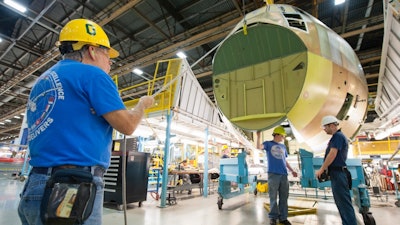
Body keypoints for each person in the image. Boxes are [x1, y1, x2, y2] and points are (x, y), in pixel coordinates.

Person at [18, 18, 154, 225]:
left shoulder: (43, 80)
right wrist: (142, 105)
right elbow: (127, 125)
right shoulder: (93, 75)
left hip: (35, 185)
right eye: (107, 54)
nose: (109, 62)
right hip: (70, 187)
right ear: (91, 50)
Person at [315, 115, 357, 225]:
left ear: (332, 125)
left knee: (343, 203)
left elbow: (332, 154)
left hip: (339, 173)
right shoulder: (337, 137)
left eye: (325, 127)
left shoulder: (338, 136)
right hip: (337, 173)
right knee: (341, 203)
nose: (324, 130)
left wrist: (322, 169)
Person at [257, 126, 297, 225]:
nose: (283, 138)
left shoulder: (283, 147)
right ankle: (273, 217)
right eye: (282, 136)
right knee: (273, 197)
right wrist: (258, 136)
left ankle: (283, 217)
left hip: (284, 174)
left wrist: (292, 170)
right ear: (278, 135)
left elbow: (285, 160)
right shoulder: (268, 144)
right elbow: (258, 147)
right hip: (273, 174)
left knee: (284, 197)